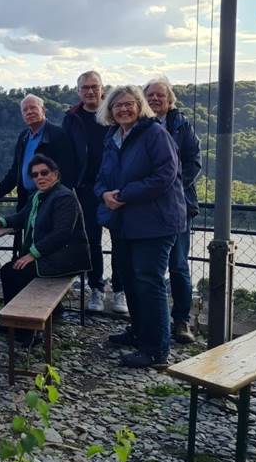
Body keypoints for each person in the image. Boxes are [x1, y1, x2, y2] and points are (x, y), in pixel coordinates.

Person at [95, 85, 186, 368]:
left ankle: (157, 349)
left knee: (149, 282)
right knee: (130, 279)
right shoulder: (113, 136)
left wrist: (124, 194)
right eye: (117, 106)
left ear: (139, 106)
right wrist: (103, 194)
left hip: (155, 223)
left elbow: (165, 176)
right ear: (109, 111)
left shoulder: (155, 134)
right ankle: (138, 332)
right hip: (124, 222)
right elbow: (101, 176)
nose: (123, 109)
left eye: (128, 104)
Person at [0, 154, 90, 344]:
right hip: (50, 254)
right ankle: (15, 321)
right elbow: (22, 217)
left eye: (44, 173)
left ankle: (24, 331)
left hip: (64, 258)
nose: (40, 177)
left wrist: (33, 254)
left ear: (56, 174)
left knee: (13, 272)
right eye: (35, 175)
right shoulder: (38, 196)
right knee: (10, 270)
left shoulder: (64, 197)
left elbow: (61, 234)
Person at [145, 76, 201, 344]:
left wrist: (172, 187)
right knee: (146, 267)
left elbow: (193, 163)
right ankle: (147, 322)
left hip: (179, 206)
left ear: (169, 100)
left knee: (178, 265)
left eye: (160, 95)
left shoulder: (181, 125)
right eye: (150, 95)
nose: (155, 99)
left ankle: (181, 320)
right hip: (146, 206)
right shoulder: (139, 126)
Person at [62, 71, 113, 313]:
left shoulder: (114, 113)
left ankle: (121, 290)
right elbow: (67, 153)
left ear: (102, 88)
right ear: (78, 91)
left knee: (121, 241)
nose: (90, 91)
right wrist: (70, 185)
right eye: (85, 88)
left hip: (115, 187)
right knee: (92, 241)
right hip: (85, 189)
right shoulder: (72, 117)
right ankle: (97, 290)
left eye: (94, 87)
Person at [0, 94, 76, 211]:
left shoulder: (58, 135)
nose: (29, 112)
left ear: (43, 109)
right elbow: (15, 171)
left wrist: (59, 201)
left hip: (49, 202)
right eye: (25, 110)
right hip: (26, 201)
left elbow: (67, 173)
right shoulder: (23, 137)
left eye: (33, 108)